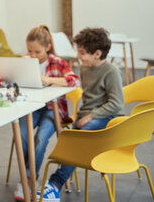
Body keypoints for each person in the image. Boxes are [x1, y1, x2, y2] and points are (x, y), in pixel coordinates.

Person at [37, 27, 125, 202]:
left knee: (79, 140)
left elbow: (116, 104)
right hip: (86, 116)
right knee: (70, 141)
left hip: (107, 118)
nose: (78, 56)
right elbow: (88, 97)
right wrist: (81, 116)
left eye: (82, 52)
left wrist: (91, 116)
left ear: (97, 54)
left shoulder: (111, 72)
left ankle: (55, 184)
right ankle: (55, 182)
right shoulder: (86, 67)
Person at [14, 25, 80, 201]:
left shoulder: (57, 62)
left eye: (37, 51)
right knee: (21, 134)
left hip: (54, 109)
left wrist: (47, 79)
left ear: (47, 48)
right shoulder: (25, 60)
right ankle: (27, 176)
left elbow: (74, 80)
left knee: (41, 138)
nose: (33, 55)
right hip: (31, 107)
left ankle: (28, 178)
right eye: (30, 50)